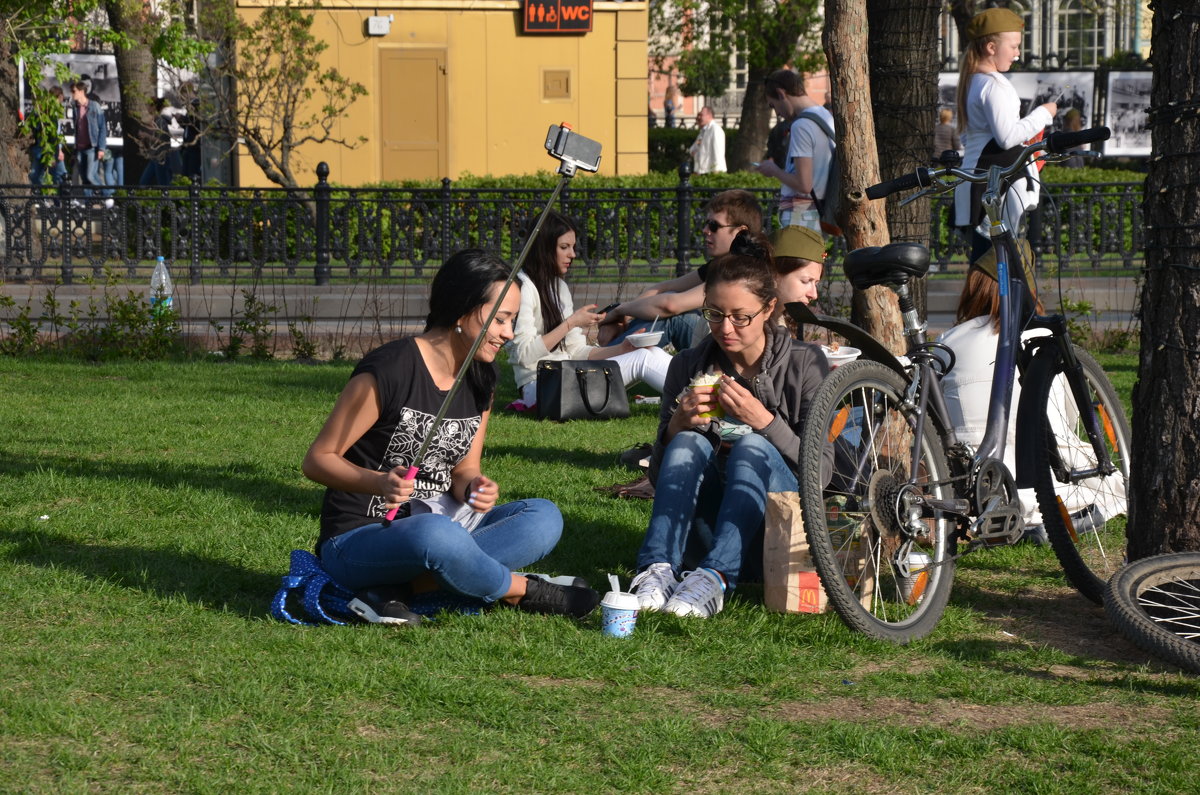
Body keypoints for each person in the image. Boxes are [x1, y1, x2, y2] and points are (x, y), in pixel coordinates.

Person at [303, 249, 601, 622]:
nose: (509, 334)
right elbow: (318, 459)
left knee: (543, 517)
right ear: (463, 310)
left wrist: (475, 487)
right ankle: (522, 590)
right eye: (501, 319)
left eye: (512, 320)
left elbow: (464, 471)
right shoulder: (391, 369)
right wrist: (378, 482)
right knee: (435, 534)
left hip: (448, 526)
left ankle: (398, 591)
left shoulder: (481, 378)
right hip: (362, 536)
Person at [629, 237, 830, 618]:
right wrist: (674, 428)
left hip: (777, 535)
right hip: (704, 528)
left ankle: (715, 578)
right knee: (688, 441)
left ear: (769, 308)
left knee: (753, 448)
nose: (726, 328)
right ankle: (656, 569)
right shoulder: (688, 364)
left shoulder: (806, 363)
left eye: (741, 316)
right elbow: (658, 479)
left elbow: (822, 472)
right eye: (714, 314)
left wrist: (766, 423)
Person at [934, 245, 1127, 542]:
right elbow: (1070, 417)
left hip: (973, 489)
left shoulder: (948, 340)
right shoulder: (1043, 338)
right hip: (1044, 485)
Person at [507, 211, 672, 410]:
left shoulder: (558, 287)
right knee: (643, 360)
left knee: (648, 351)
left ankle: (705, 390)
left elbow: (576, 351)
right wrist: (571, 323)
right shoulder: (523, 288)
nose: (573, 255)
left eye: (573, 247)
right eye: (564, 247)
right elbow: (523, 355)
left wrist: (623, 348)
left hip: (569, 375)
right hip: (541, 387)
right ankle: (702, 397)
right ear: (544, 247)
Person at [597, 189, 763, 351]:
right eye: (706, 223)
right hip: (724, 341)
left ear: (741, 231)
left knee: (674, 318)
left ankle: (599, 363)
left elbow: (671, 305)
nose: (705, 230)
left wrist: (620, 310)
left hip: (738, 347)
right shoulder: (722, 263)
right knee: (663, 310)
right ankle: (604, 358)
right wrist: (622, 318)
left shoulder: (742, 268)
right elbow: (664, 288)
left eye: (714, 226)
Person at [953, 8, 1056, 263]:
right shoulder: (993, 84)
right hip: (993, 191)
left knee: (985, 272)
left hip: (978, 185)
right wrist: (1043, 113)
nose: (1018, 54)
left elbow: (973, 140)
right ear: (991, 47)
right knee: (998, 274)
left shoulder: (973, 82)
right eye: (1014, 46)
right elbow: (1006, 137)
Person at [755, 69, 835, 234]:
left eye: (773, 105)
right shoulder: (826, 116)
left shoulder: (801, 125)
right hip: (820, 211)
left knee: (796, 260)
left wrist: (774, 170)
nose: (777, 113)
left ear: (781, 93)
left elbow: (804, 184)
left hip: (802, 215)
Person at [69, 81, 111, 206]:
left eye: (74, 91)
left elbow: (102, 127)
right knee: (85, 179)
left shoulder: (94, 106)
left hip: (92, 147)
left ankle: (107, 196)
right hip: (80, 148)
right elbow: (76, 130)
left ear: (82, 92)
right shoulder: (75, 108)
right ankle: (88, 202)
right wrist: (75, 150)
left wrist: (101, 148)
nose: (72, 94)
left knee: (91, 175)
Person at [27, 86, 69, 190]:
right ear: (59, 97)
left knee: (58, 176)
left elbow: (55, 136)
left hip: (48, 151)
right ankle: (54, 200)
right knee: (55, 176)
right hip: (46, 151)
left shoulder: (49, 113)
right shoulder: (48, 114)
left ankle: (62, 201)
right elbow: (53, 137)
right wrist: (55, 153)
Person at [689, 106, 727, 175]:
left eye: (701, 115)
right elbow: (693, 149)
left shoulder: (715, 130)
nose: (698, 118)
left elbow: (718, 153)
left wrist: (716, 171)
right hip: (701, 172)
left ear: (709, 116)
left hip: (712, 172)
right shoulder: (702, 132)